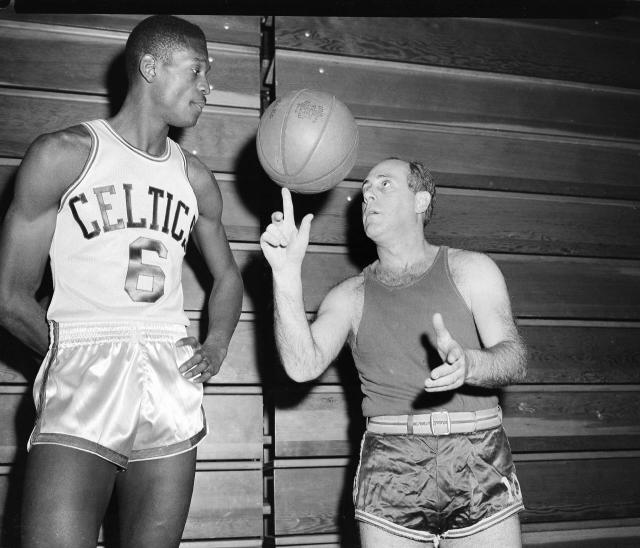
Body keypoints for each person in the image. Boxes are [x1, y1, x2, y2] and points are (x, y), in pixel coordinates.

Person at [0, 15, 243, 548]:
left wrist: (218, 342)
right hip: (85, 360)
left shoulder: (195, 178)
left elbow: (227, 277)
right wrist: (63, 351)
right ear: (150, 67)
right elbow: (8, 296)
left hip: (167, 368)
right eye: (198, 70)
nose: (208, 86)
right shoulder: (64, 155)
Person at [260, 158, 527, 547]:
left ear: (421, 201)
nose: (368, 193)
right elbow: (302, 366)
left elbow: (515, 357)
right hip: (391, 462)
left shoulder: (473, 269)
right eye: (366, 188)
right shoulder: (349, 296)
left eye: (385, 184)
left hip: (478, 454)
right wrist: (285, 276)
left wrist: (471, 363)